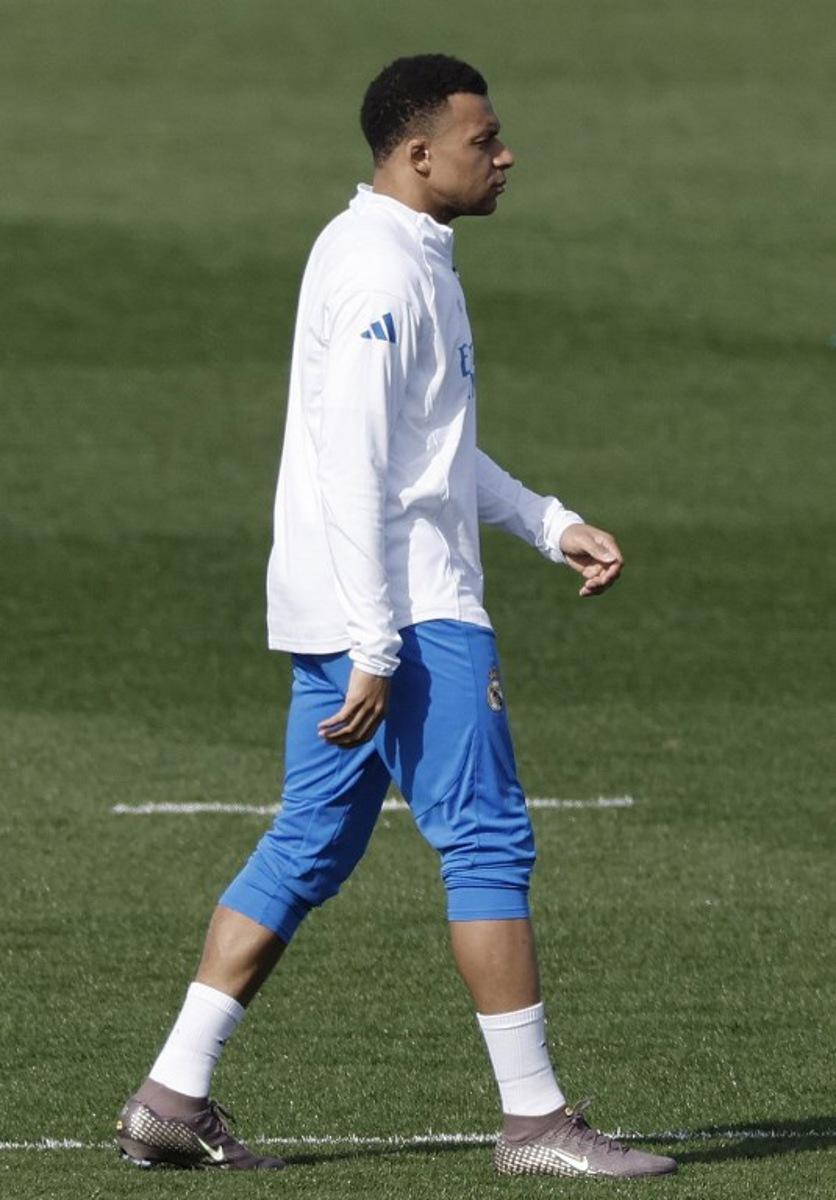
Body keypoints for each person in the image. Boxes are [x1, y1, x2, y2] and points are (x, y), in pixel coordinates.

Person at [115, 54, 676, 1180]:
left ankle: (169, 1098)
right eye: (485, 138)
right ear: (418, 154)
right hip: (406, 613)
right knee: (485, 841)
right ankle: (534, 1122)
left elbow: (430, 450)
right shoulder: (381, 271)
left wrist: (544, 520)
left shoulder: (398, 251)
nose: (504, 154)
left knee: (307, 844)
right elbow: (359, 473)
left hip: (357, 608)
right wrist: (379, 644)